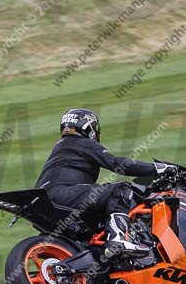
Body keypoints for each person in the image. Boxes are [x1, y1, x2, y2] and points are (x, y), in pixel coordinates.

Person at [34, 108, 177, 258]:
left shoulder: (59, 147)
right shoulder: (83, 143)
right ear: (88, 127)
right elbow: (117, 164)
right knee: (121, 189)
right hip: (65, 194)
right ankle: (117, 239)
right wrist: (158, 169)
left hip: (44, 200)